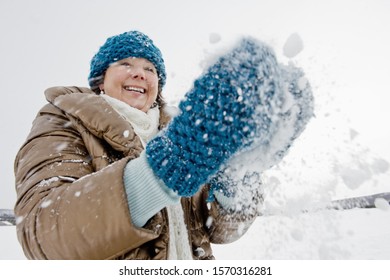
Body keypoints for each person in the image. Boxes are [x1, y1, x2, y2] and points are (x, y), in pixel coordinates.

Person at [14, 30, 314, 260]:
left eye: (150, 69)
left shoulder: (185, 130)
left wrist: (239, 173)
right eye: (125, 63)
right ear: (100, 80)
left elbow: (221, 231)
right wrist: (166, 169)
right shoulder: (63, 121)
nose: (139, 73)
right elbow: (42, 234)